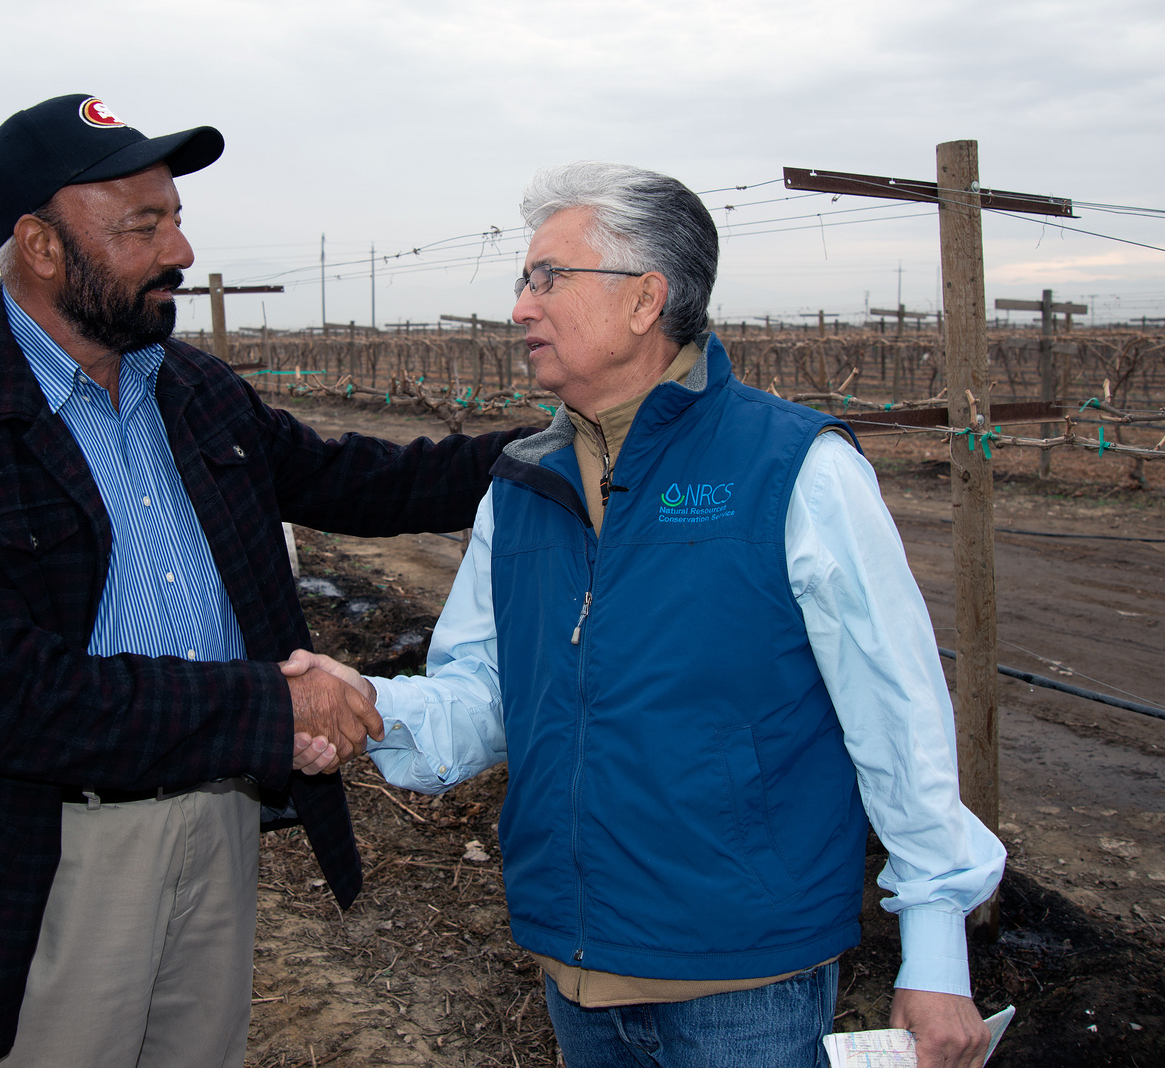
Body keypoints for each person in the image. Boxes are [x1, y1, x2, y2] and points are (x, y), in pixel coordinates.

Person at [0, 94, 531, 1068]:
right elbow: (0, 700)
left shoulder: (193, 389)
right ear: (41, 248)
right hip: (62, 853)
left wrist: (561, 447)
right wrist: (271, 701)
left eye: (175, 216)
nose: (179, 249)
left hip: (220, 817)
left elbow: (359, 478)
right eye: (145, 225)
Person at [284, 162, 1006, 1068]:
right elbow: (489, 697)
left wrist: (936, 954)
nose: (520, 307)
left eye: (548, 278)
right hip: (574, 964)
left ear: (644, 300)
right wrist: (368, 703)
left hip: (744, 980)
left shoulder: (796, 469)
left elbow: (897, 714)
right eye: (523, 279)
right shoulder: (520, 486)